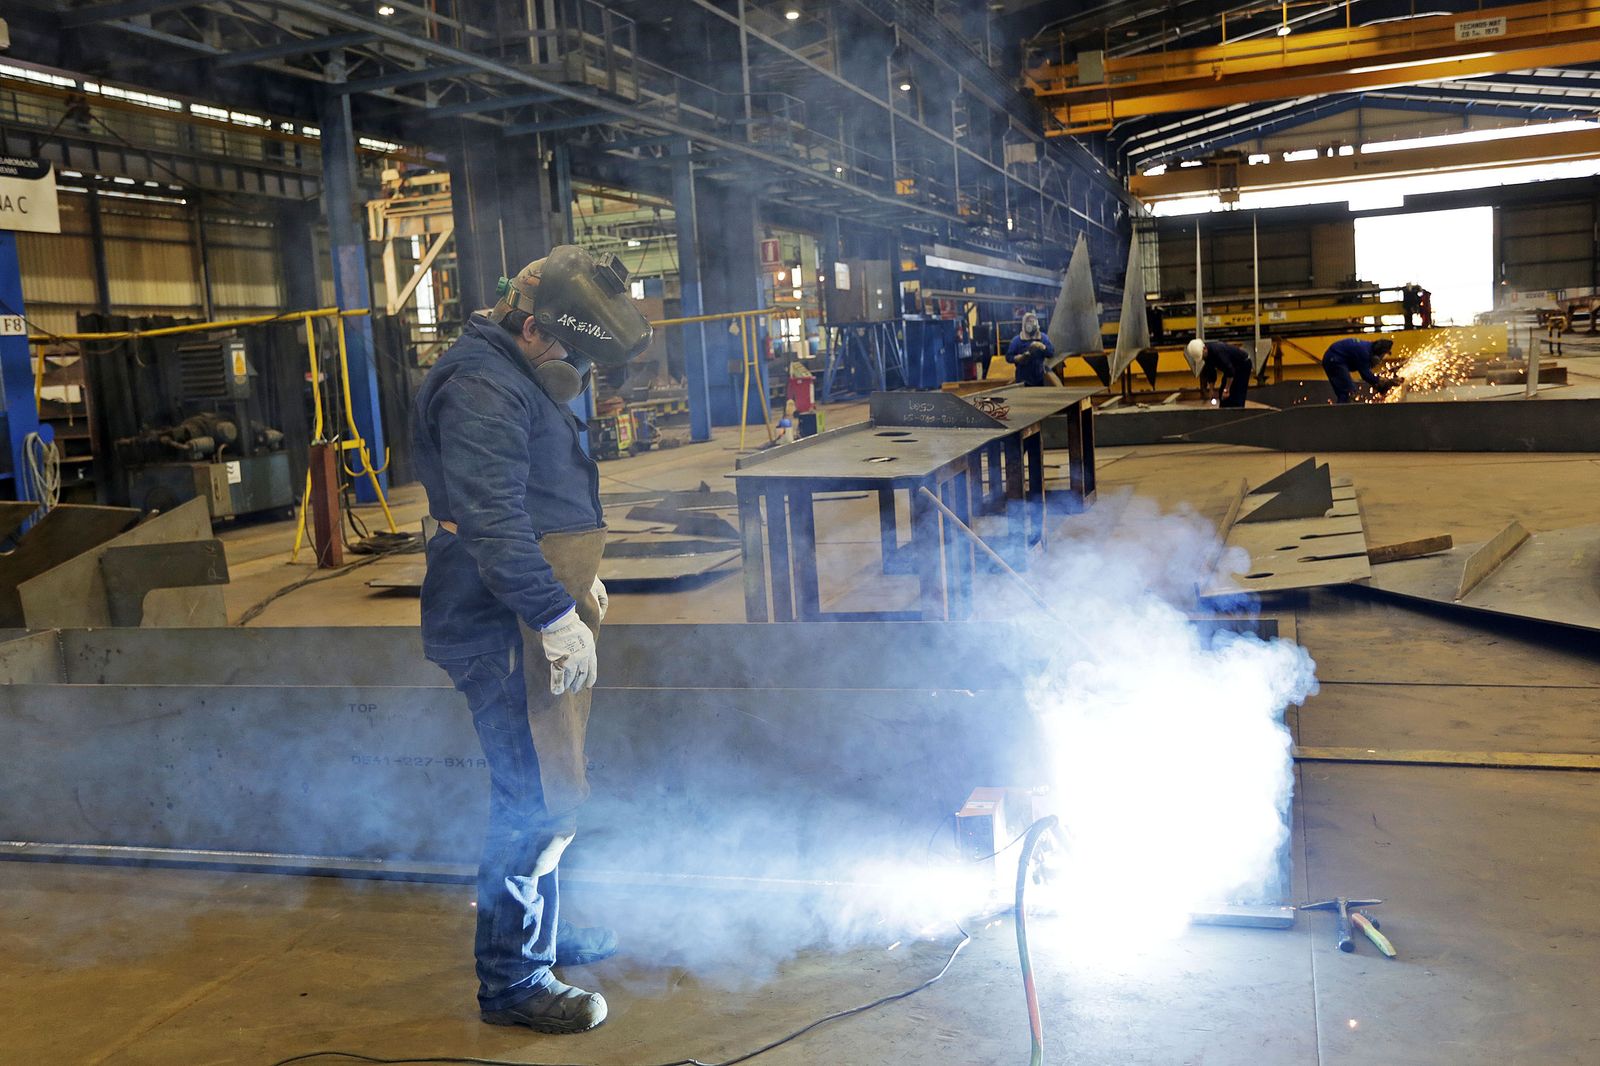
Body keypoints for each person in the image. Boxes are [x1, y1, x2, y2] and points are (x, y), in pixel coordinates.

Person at [412, 246, 653, 1035]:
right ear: (532, 324)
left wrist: (576, 585)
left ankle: (553, 932)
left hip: (537, 599)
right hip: (498, 616)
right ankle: (514, 978)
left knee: (560, 778)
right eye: (573, 349)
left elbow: (542, 492)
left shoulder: (519, 368)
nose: (575, 365)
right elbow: (490, 520)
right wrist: (551, 611)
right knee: (530, 798)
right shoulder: (481, 387)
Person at [1322, 335, 1397, 403]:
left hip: (1334, 358)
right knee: (1348, 392)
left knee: (1345, 392)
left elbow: (1368, 376)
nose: (1380, 361)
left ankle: (1342, 412)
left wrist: (1378, 382)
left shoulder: (1367, 348)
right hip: (1335, 360)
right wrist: (1382, 381)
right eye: (1382, 357)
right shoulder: (1364, 353)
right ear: (1377, 354)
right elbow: (1366, 375)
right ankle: (1342, 415)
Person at [1186, 337, 1252, 408]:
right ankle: (1224, 411)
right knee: (1222, 393)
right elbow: (1211, 372)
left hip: (1243, 365)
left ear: (1204, 348)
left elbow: (1230, 371)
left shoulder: (1218, 351)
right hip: (1231, 367)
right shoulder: (1207, 356)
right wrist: (1211, 390)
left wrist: (1227, 389)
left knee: (1237, 393)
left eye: (1202, 356)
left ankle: (1238, 411)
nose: (1202, 358)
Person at [1005, 312, 1056, 387]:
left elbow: (1051, 353)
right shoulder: (1017, 340)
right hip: (1022, 379)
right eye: (1028, 321)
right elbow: (1008, 357)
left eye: (1033, 321)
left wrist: (1042, 347)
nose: (1031, 324)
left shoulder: (1043, 338)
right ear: (1024, 324)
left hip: (1039, 379)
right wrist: (1019, 358)